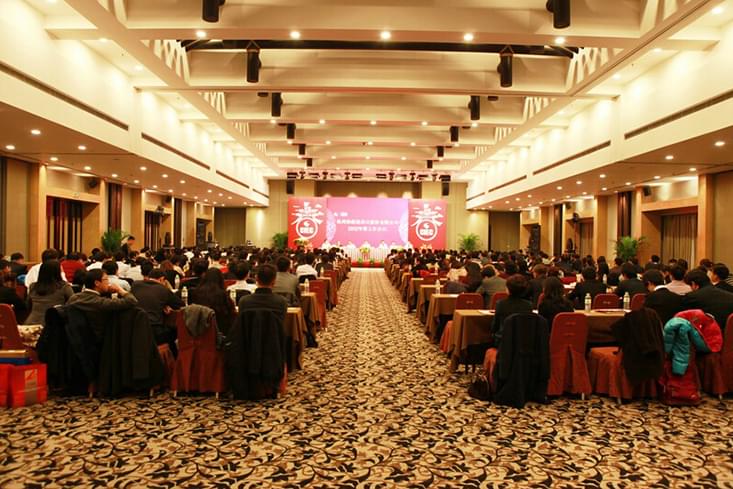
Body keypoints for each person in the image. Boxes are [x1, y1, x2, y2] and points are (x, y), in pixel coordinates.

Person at [66, 269, 138, 340]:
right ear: (97, 283)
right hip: (100, 340)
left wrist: (106, 291)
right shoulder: (100, 302)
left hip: (77, 339)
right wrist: (120, 290)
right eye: (106, 279)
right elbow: (132, 300)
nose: (108, 282)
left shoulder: (74, 297)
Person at [131, 265, 183, 351]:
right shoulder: (163, 289)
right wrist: (166, 304)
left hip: (134, 328)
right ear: (162, 279)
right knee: (175, 331)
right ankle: (169, 356)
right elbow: (180, 304)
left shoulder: (135, 285)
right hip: (154, 330)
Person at [189, 268, 236, 336]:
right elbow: (231, 313)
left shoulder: (196, 293)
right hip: (220, 331)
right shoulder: (223, 295)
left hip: (198, 330)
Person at [25, 260, 73, 325]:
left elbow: (28, 305)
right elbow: (72, 304)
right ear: (57, 272)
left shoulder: (33, 286)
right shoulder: (64, 287)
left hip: (32, 323)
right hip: (54, 324)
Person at [491, 274, 533, 347]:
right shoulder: (528, 305)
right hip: (522, 341)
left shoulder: (501, 304)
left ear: (508, 289)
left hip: (503, 341)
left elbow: (495, 326)